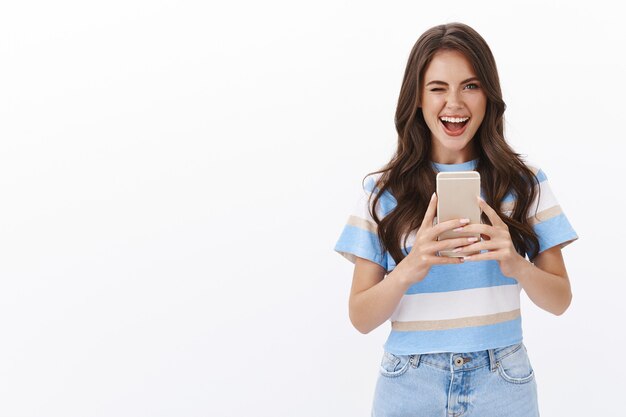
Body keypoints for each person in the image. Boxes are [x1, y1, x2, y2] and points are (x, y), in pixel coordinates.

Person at [333, 22, 578, 417]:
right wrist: (410, 268)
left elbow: (560, 300)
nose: (454, 103)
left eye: (470, 85)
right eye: (437, 88)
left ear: (488, 95)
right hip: (409, 382)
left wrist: (514, 263)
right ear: (416, 98)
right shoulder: (381, 191)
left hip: (502, 379)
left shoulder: (525, 183)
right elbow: (361, 318)